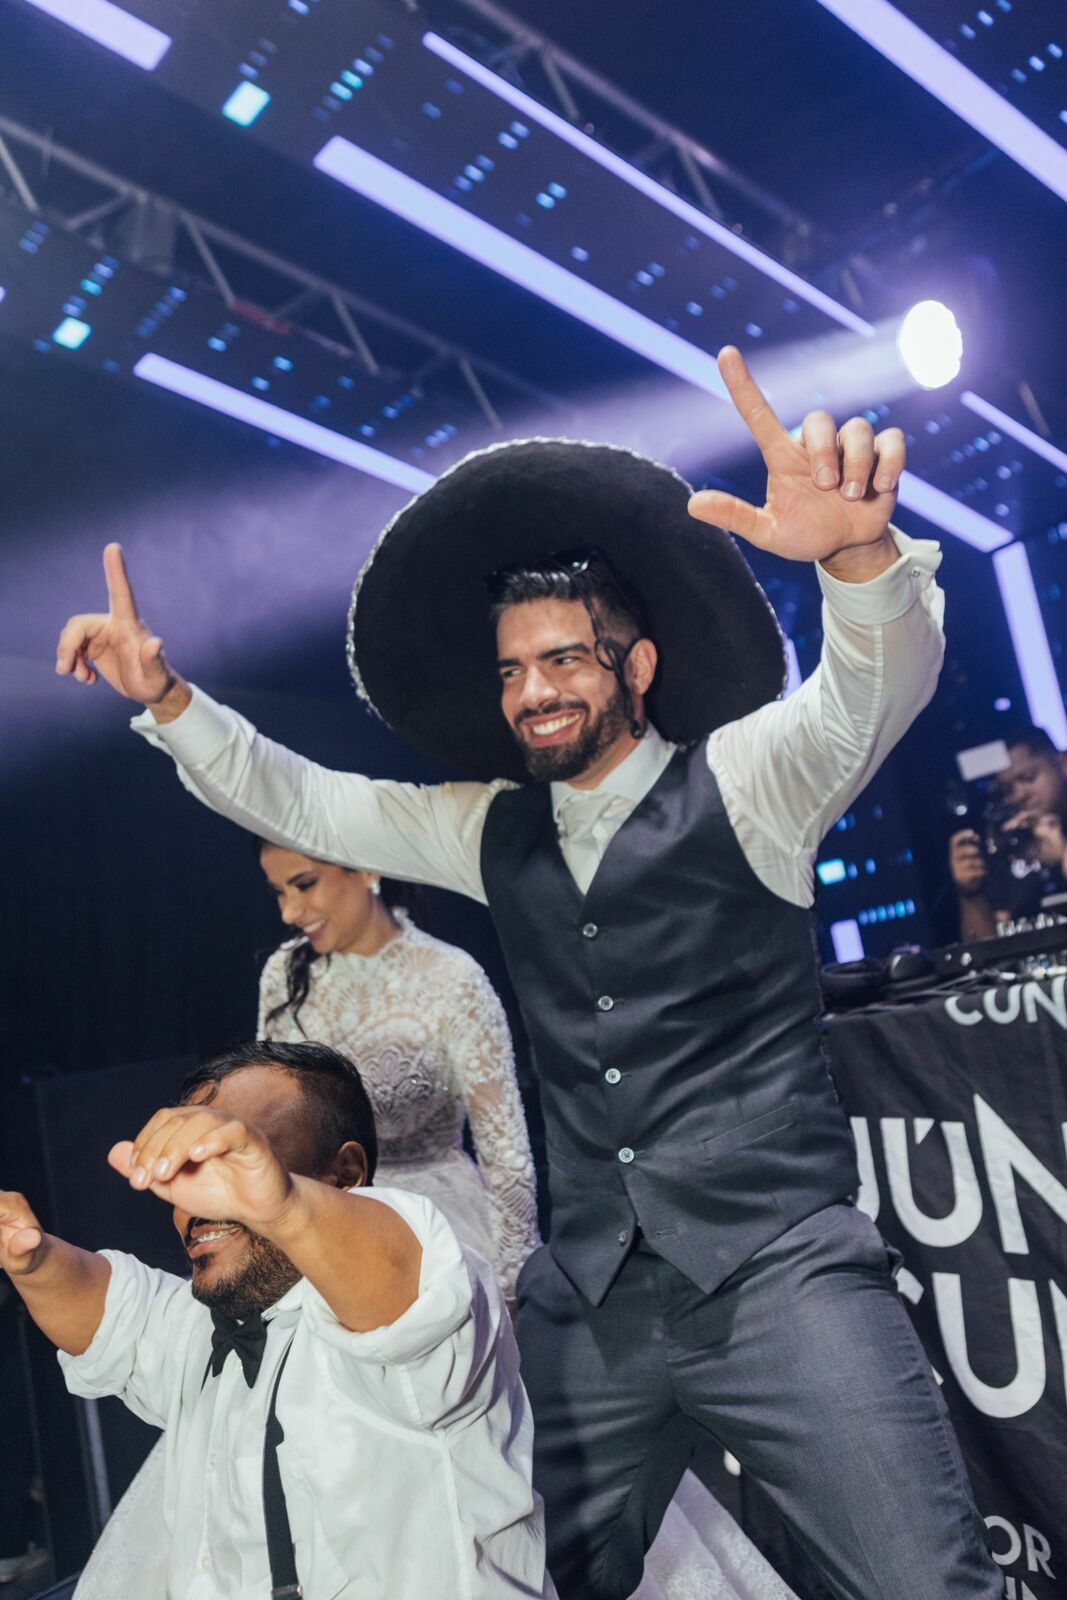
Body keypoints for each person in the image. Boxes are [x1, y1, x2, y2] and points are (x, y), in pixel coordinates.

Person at [55, 346, 1001, 1598]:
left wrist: (853, 563)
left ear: (636, 666)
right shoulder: (489, 827)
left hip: (780, 1273)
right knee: (516, 1572)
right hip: (592, 1298)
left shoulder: (750, 782)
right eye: (511, 670)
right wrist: (168, 699)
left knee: (924, 1582)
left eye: (562, 658)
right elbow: (304, 797)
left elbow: (875, 691)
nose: (532, 691)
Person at [0, 1039, 554, 1599]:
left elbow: (409, 1290)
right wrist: (31, 1256)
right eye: (186, 1170)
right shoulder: (212, 1323)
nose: (197, 1202)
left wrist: (281, 1204)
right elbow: (118, 1312)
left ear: (346, 1172)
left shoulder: (419, 1293)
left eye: (232, 1158)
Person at [256, 844, 540, 1303]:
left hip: (431, 1229)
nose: (289, 911)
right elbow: (269, 1117)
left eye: (305, 884)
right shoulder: (283, 973)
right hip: (313, 1224)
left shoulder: (452, 979)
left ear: (367, 867)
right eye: (278, 893)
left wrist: (515, 1287)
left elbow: (506, 1155)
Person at [949, 725, 1067, 939]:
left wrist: (1062, 855)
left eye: (1028, 777)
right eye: (1008, 789)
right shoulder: (1005, 842)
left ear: (1062, 764)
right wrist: (971, 893)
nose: (1019, 795)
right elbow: (984, 953)